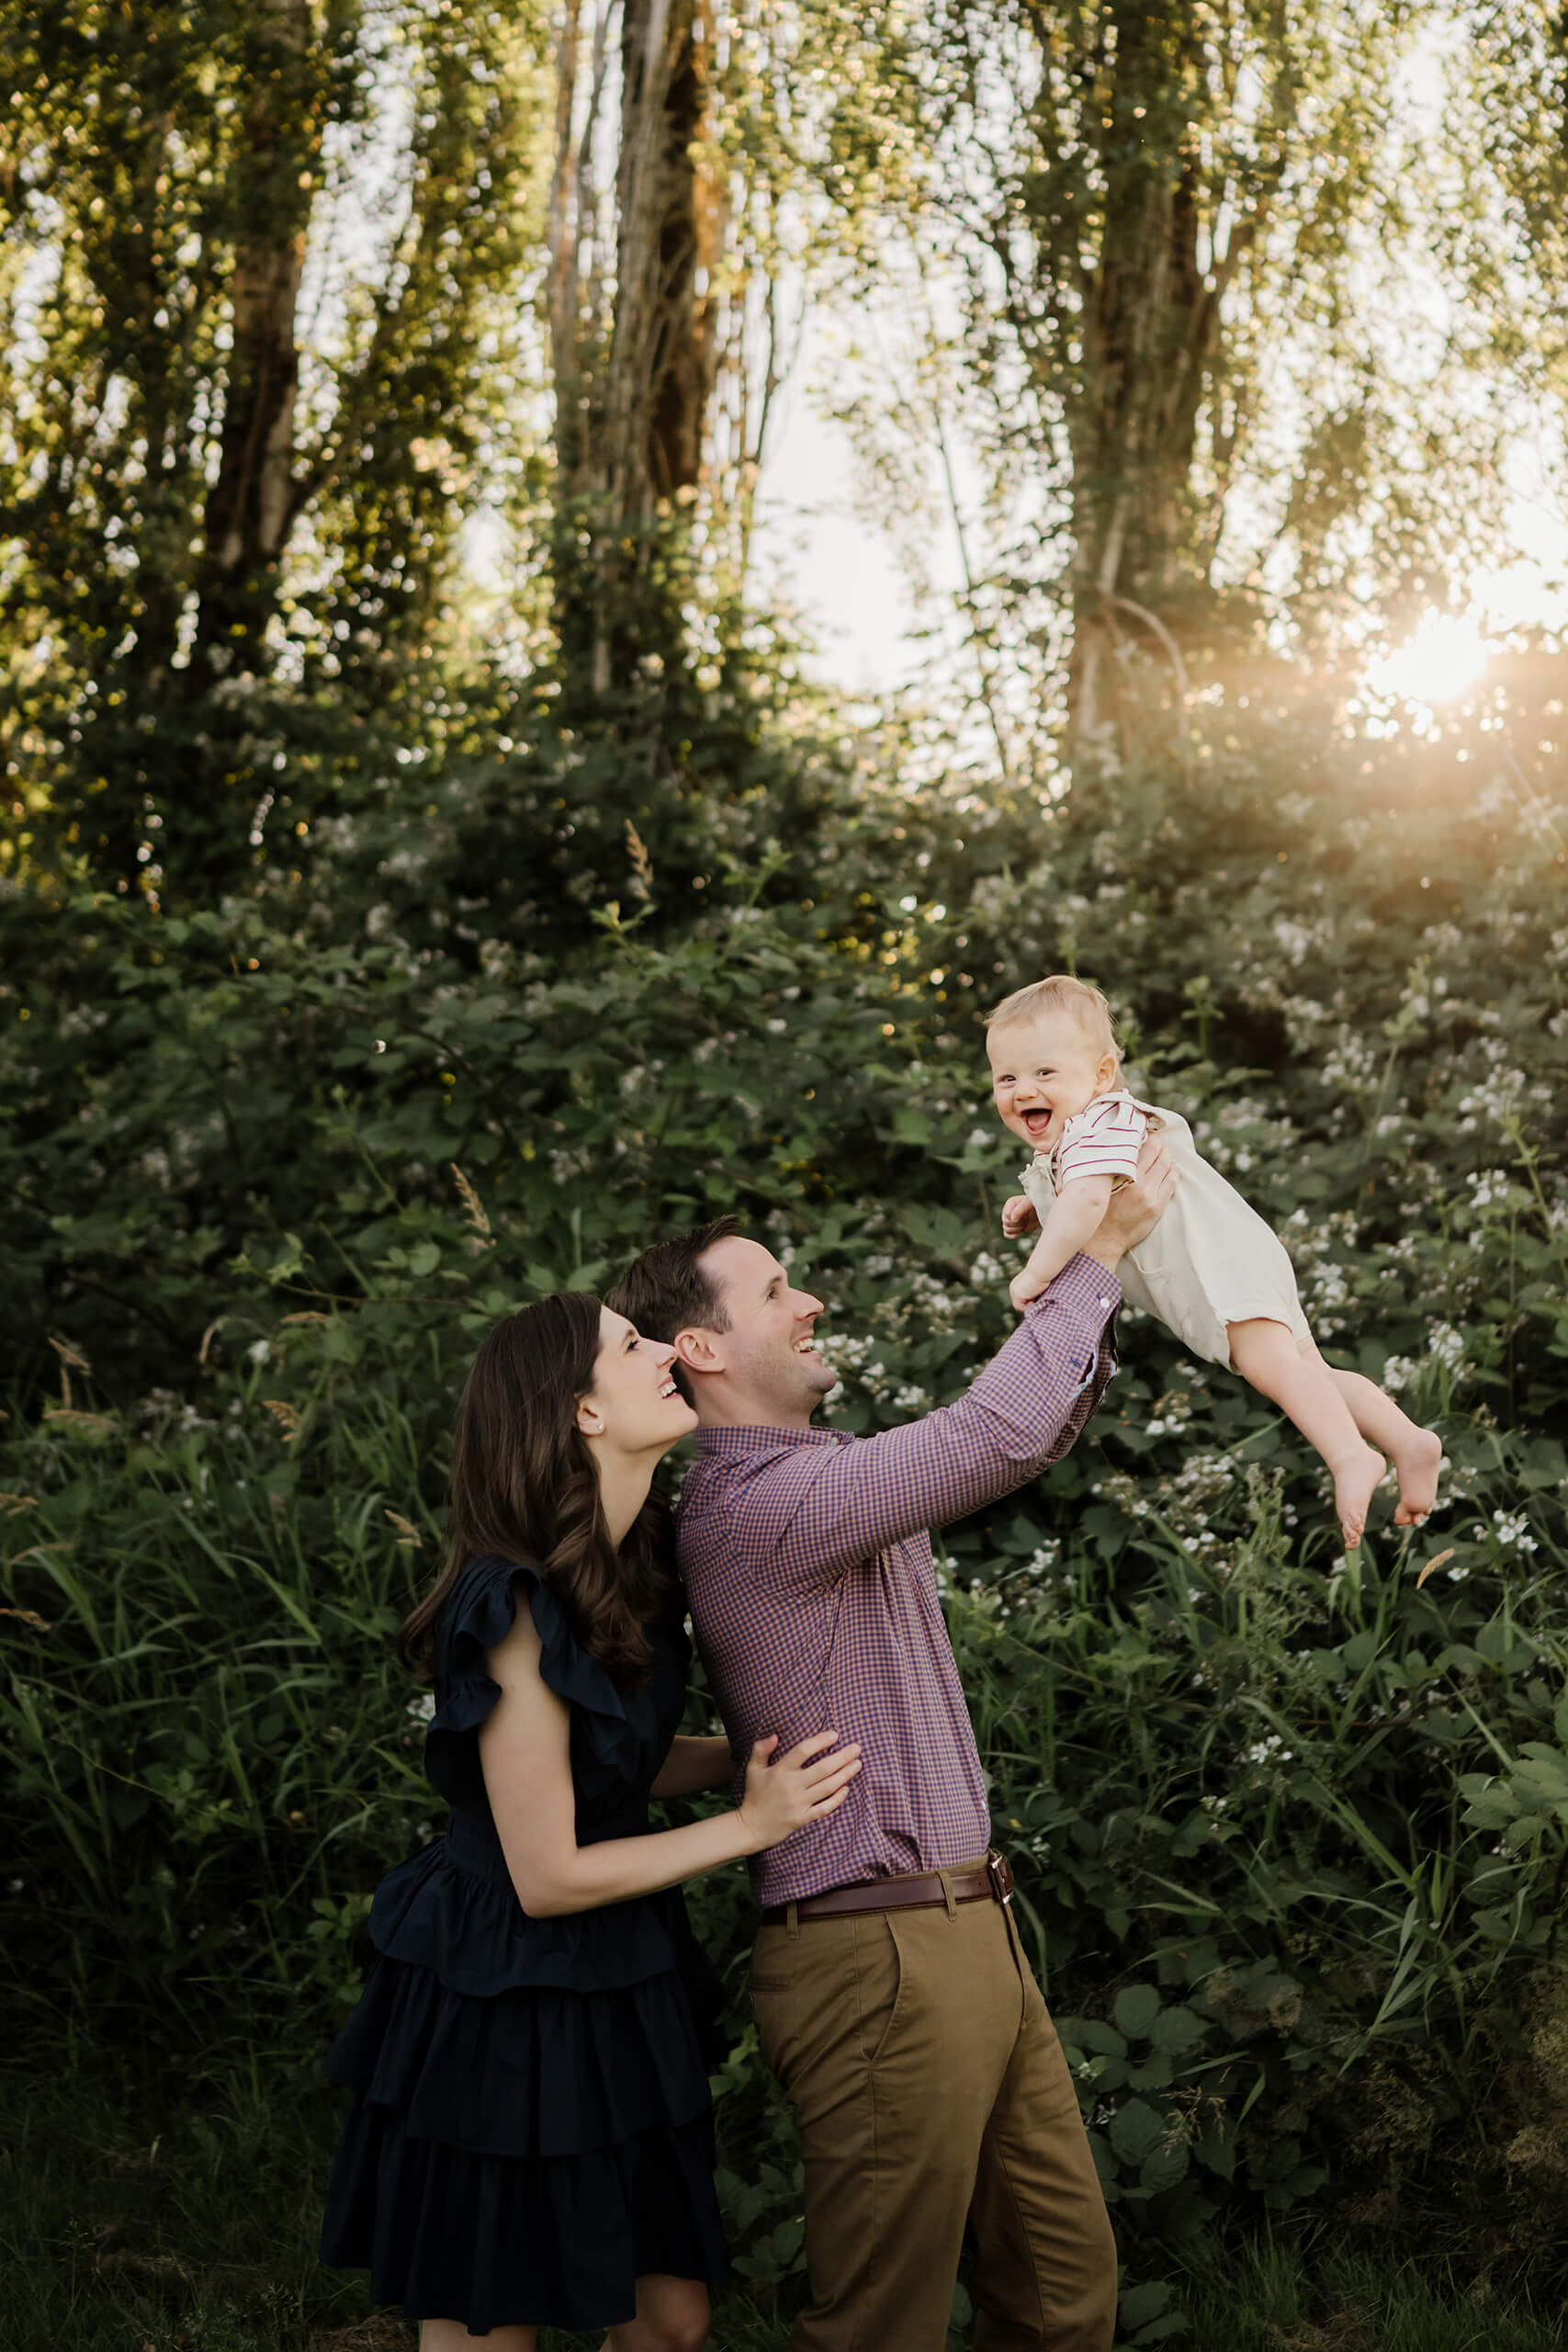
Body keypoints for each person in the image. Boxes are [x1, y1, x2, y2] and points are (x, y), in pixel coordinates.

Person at [608, 1149, 1176, 2352]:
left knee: (1062, 2297)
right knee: (881, 2327)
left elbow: (1026, 1433)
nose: (809, 1301)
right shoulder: (754, 1509)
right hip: (878, 1956)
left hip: (970, 1930)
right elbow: (994, 1435)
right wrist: (1094, 1252)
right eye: (776, 1291)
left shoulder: (819, 1480)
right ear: (701, 1348)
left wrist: (1084, 1265)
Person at [319, 1292, 862, 2352]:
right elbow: (547, 1873)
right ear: (583, 1413)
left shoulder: (633, 1568)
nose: (664, 1349)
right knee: (493, 2323)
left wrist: (765, 1758)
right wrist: (751, 1824)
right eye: (630, 1343)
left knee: (673, 2320)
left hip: (617, 1963)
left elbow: (615, 1766)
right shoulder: (513, 1605)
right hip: (503, 1982)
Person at [988, 972, 1442, 1547]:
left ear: (1101, 1075)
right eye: (1007, 1077)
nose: (1022, 1090)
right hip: (1239, 1256)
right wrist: (1038, 1206)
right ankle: (1408, 1441)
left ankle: (1351, 1456)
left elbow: (1088, 1201)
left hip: (1220, 1267)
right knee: (1309, 1372)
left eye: (1044, 1072)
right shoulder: (1083, 1137)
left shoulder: (1097, 1122)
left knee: (1271, 1367)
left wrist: (1036, 1271)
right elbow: (1082, 1192)